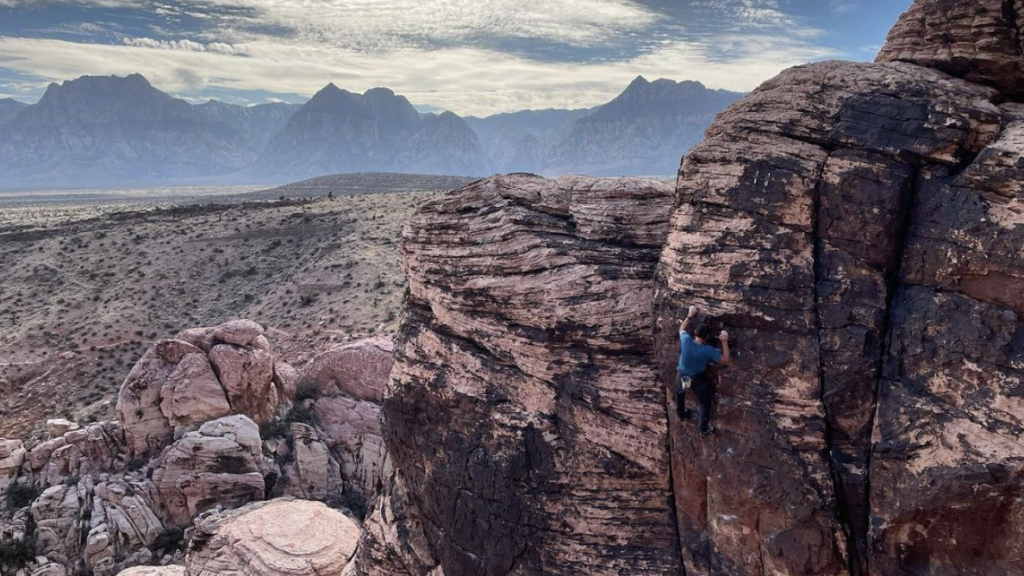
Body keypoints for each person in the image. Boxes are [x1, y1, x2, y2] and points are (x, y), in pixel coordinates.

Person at [677, 305, 730, 438]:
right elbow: (725, 360)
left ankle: (681, 415)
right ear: (706, 338)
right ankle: (703, 430)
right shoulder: (707, 350)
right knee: (704, 401)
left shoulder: (686, 340)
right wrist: (724, 341)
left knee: (679, 394)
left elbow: (681, 329)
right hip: (696, 378)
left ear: (695, 333)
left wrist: (689, 316)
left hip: (681, 375)